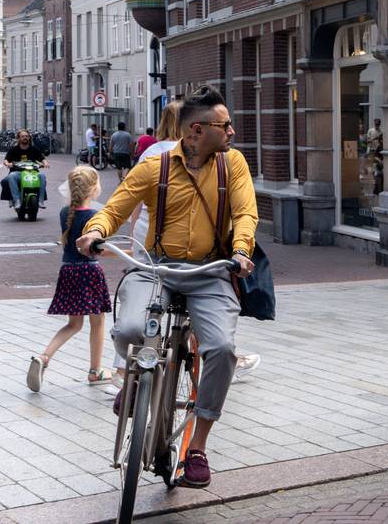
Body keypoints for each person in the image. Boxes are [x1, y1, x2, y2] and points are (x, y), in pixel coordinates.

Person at [76, 86, 257, 488]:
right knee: (127, 330)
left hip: (211, 270)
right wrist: (95, 232)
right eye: (224, 125)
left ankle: (197, 447)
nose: (231, 131)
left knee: (223, 350)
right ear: (197, 130)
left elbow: (245, 212)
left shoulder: (234, 165)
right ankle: (137, 380)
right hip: (156, 266)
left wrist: (241, 250)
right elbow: (116, 208)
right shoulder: (155, 166)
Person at [27, 166, 113, 392]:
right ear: (94, 189)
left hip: (69, 270)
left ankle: (44, 357)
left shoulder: (65, 212)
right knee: (98, 322)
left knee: (73, 324)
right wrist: (130, 253)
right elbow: (98, 250)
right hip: (90, 271)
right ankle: (95, 371)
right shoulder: (95, 217)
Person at [128, 101, 183, 261]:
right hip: (181, 228)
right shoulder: (195, 153)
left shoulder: (150, 153)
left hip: (147, 225)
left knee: (147, 278)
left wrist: (133, 229)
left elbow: (137, 196)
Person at [3, 129, 49, 209]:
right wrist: (8, 164)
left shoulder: (33, 149)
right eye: (23, 136)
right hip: (18, 173)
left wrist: (45, 163)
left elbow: (42, 158)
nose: (25, 138)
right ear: (19, 138)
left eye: (27, 136)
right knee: (11, 176)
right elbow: (6, 160)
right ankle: (16, 199)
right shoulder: (14, 149)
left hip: (32, 172)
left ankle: (41, 200)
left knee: (42, 176)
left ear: (29, 138)